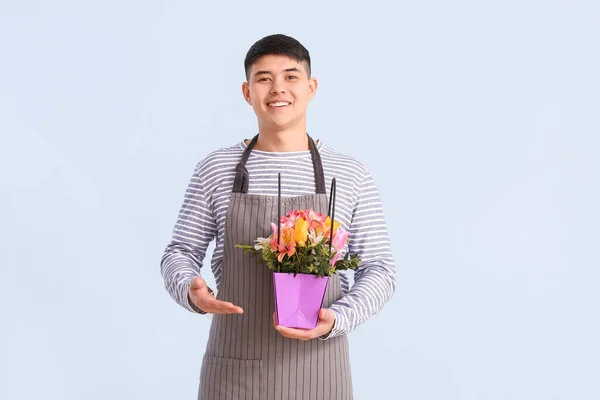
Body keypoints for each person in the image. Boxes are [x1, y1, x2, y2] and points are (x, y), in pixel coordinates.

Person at [160, 33, 396, 400]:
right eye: (264, 78)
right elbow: (179, 251)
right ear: (246, 91)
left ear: (311, 86)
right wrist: (190, 290)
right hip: (235, 369)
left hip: (320, 369)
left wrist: (338, 318)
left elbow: (380, 268)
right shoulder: (216, 168)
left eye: (290, 76)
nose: (277, 89)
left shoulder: (349, 173)